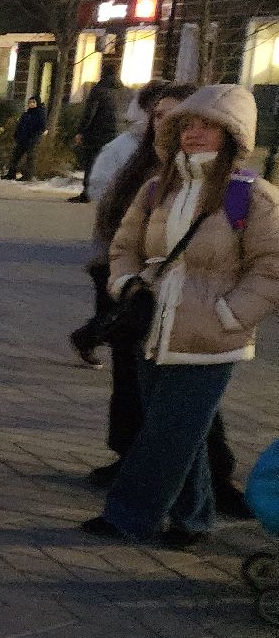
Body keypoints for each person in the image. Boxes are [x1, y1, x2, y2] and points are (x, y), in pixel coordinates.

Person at [83, 85, 279, 548]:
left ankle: (129, 516)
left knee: (168, 435)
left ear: (232, 135)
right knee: (175, 432)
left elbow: (271, 267)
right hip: (154, 328)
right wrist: (126, 284)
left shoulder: (252, 197)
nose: (193, 133)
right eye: (187, 124)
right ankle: (193, 518)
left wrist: (230, 315)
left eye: (207, 125)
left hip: (213, 338)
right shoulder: (158, 189)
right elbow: (125, 247)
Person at [72, 64, 122, 202]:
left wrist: (81, 130)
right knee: (106, 163)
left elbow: (90, 113)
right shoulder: (118, 91)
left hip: (95, 133)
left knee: (90, 163)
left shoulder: (98, 90)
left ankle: (87, 192)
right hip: (112, 133)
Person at [7, 96, 47, 181]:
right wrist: (16, 135)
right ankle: (11, 174)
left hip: (32, 139)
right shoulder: (26, 114)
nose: (31, 104)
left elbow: (42, 126)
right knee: (15, 156)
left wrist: (35, 134)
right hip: (22, 138)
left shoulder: (40, 114)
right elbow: (20, 125)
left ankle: (28, 176)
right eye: (29, 102)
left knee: (30, 158)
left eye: (33, 102)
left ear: (37, 103)